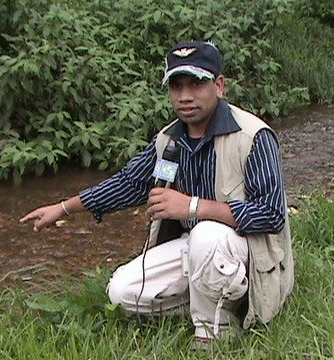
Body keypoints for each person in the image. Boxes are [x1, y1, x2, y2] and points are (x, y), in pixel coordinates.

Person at [20, 41, 294, 343]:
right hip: (197, 249)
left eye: (196, 84)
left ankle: (215, 335)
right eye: (176, 86)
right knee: (121, 292)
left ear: (219, 86)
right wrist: (63, 208)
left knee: (205, 236)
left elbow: (271, 215)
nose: (185, 96)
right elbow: (129, 183)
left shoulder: (253, 136)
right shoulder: (169, 140)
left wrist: (191, 207)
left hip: (248, 252)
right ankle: (211, 297)